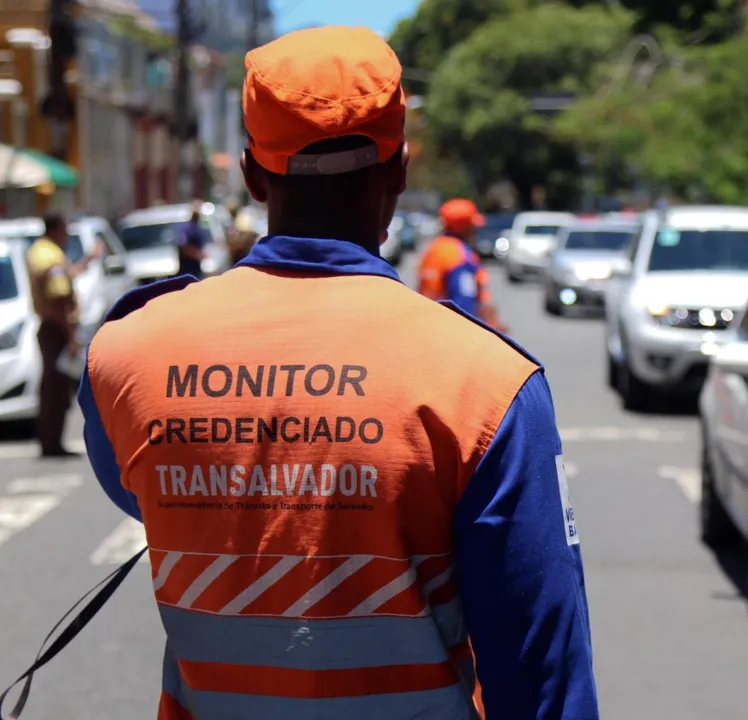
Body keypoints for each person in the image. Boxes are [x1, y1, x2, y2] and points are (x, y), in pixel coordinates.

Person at [77, 25, 598, 720]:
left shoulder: (123, 354)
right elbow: (541, 679)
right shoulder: (486, 383)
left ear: (255, 176)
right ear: (400, 169)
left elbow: (142, 496)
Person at [27, 212, 102, 457]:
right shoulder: (51, 257)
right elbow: (60, 299)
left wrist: (88, 259)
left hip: (52, 328)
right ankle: (52, 444)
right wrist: (71, 337)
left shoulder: (42, 251)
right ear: (56, 229)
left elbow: (67, 276)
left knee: (54, 388)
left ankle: (52, 442)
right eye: (66, 228)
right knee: (55, 390)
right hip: (56, 330)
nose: (68, 234)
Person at [419, 199, 508, 331]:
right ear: (463, 228)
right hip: (456, 332)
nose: (475, 230)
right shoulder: (459, 257)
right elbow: (464, 304)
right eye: (472, 225)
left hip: (432, 325)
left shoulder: (434, 249)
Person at [175, 200, 210, 279]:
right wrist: (197, 254)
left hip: (197, 267)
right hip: (187, 267)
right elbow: (184, 246)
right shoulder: (186, 227)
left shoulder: (199, 227)